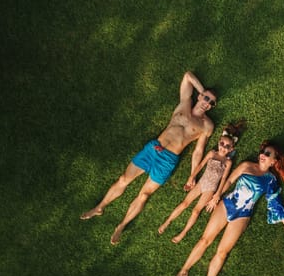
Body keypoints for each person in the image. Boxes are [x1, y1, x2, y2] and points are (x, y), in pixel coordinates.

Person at [80, 71, 217, 245]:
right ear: (200, 96)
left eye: (211, 102)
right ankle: (99, 207)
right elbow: (187, 76)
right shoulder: (184, 103)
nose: (207, 103)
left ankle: (121, 226)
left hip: (168, 160)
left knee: (144, 195)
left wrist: (192, 175)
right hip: (153, 149)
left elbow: (198, 151)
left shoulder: (206, 125)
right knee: (123, 179)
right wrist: (202, 91)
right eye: (206, 98)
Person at [169, 140, 284, 276]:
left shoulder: (270, 180)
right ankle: (183, 270)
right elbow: (229, 181)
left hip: (243, 215)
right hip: (227, 204)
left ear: (274, 161)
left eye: (267, 154)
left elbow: (274, 201)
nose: (262, 155)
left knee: (222, 252)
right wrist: (216, 196)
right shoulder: (246, 166)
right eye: (263, 152)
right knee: (204, 240)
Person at [158, 121, 246, 243]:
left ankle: (183, 233)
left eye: (227, 146)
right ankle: (167, 222)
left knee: (195, 211)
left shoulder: (227, 162)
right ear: (218, 142)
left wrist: (217, 195)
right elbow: (200, 166)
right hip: (201, 183)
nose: (223, 148)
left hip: (211, 188)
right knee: (184, 204)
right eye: (222, 144)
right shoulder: (212, 153)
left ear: (231, 149)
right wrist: (191, 177)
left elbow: (224, 179)